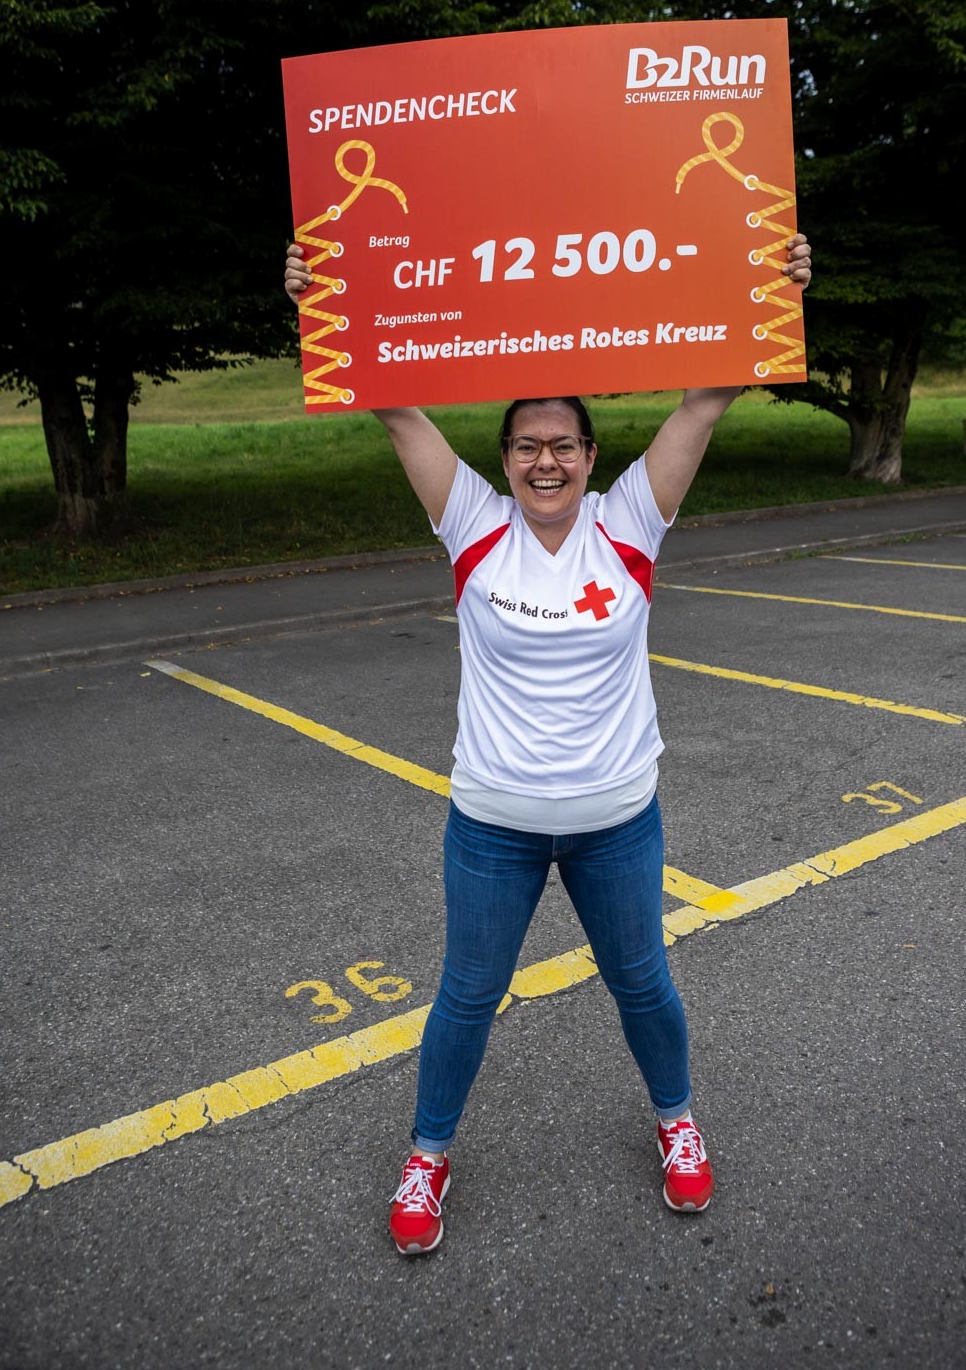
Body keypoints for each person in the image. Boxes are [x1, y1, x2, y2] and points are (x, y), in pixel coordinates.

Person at [285, 234, 812, 1253]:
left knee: (643, 983)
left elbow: (706, 400)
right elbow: (392, 403)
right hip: (493, 824)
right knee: (466, 997)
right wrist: (322, 297)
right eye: (527, 444)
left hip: (617, 821)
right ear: (504, 459)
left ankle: (677, 1121)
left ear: (590, 456)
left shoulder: (632, 522)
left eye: (563, 444)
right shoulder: (471, 522)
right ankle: (428, 1153)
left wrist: (771, 288)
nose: (545, 460)